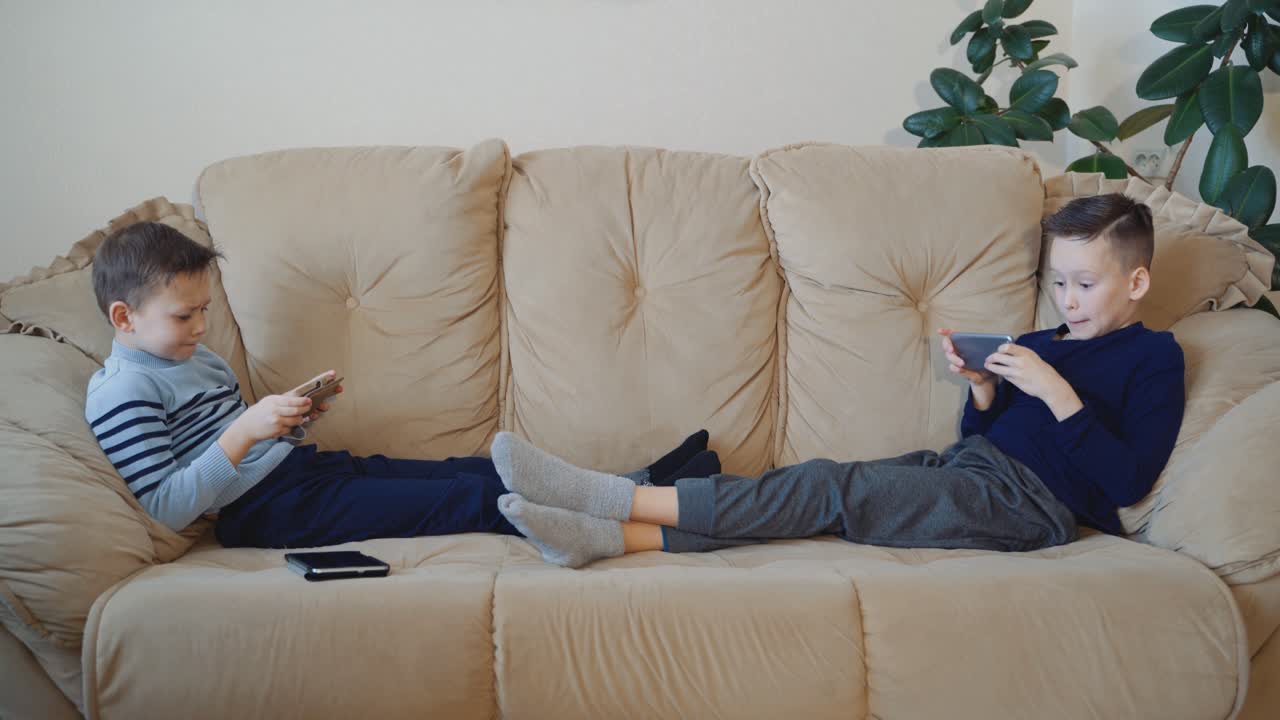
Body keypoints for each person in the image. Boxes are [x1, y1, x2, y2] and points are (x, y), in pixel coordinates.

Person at [490, 193, 1186, 568]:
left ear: (1137, 279)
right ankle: (609, 541)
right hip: (969, 469)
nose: (1067, 299)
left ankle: (608, 496)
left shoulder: (1155, 358)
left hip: (1031, 510)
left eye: (1085, 284)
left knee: (828, 486)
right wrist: (982, 389)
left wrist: (1055, 393)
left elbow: (1127, 482)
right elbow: (984, 433)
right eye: (1058, 282)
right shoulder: (1039, 343)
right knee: (809, 502)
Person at [84, 221, 718, 548]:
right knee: (468, 504)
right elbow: (167, 505)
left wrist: (290, 419)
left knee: (475, 471)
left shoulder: (199, 360)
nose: (200, 325)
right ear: (124, 317)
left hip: (302, 473)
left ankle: (639, 484)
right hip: (264, 512)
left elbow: (244, 438)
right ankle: (645, 519)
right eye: (183, 315)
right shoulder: (121, 394)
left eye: (204, 311)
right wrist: (248, 430)